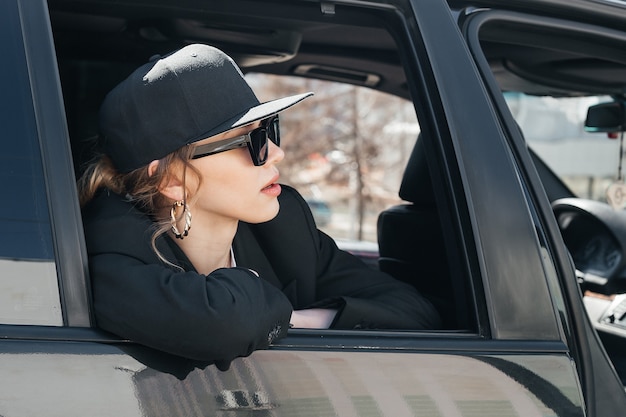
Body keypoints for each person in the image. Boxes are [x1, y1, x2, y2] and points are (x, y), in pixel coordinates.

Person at [78, 44, 441, 367]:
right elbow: (223, 324)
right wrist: (264, 306)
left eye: (269, 130)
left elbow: (413, 312)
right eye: (249, 140)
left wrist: (296, 319)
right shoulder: (106, 247)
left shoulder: (284, 224)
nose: (276, 153)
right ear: (172, 179)